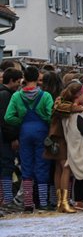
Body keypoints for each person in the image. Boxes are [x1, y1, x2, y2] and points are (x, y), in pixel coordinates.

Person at [4, 66, 53, 211]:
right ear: (38, 77)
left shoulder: (17, 96)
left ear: (24, 78)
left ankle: (28, 203)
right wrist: (44, 120)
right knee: (42, 165)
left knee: (26, 166)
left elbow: (8, 117)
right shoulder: (45, 96)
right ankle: (43, 202)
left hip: (24, 132)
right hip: (41, 132)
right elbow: (51, 116)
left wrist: (21, 122)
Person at [59, 81, 83, 211]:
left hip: (74, 147)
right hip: (82, 148)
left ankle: (79, 201)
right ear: (78, 96)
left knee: (78, 175)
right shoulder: (78, 113)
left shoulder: (67, 112)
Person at [0, 68, 22, 209]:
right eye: (18, 82)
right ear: (12, 80)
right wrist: (13, 138)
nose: (19, 85)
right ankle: (7, 198)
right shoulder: (6, 95)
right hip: (4, 139)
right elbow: (6, 120)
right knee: (7, 166)